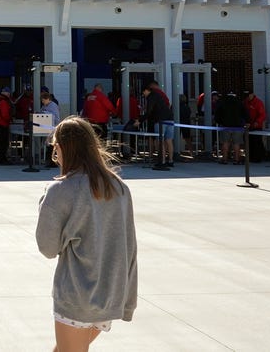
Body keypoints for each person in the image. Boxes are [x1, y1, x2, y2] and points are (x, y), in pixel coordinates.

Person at [36, 117, 137, 350]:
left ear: (64, 148)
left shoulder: (60, 190)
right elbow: (129, 245)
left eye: (55, 148)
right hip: (111, 291)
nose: (55, 155)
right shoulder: (119, 187)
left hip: (77, 295)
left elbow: (47, 248)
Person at [139, 81, 173, 170]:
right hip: (170, 119)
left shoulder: (151, 96)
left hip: (160, 121)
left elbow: (149, 111)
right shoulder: (161, 94)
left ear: (147, 90)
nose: (144, 94)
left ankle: (162, 161)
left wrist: (140, 121)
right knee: (169, 141)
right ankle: (171, 160)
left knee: (160, 141)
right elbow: (168, 104)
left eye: (143, 92)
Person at [215, 91, 246, 165]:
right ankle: (236, 159)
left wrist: (220, 122)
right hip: (238, 127)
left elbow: (217, 114)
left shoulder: (223, 103)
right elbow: (245, 114)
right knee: (237, 143)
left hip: (226, 126)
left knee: (225, 142)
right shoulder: (240, 103)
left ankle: (224, 159)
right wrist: (244, 122)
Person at [40, 91, 62, 168]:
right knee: (48, 145)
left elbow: (56, 118)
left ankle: (53, 162)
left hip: (53, 128)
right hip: (46, 129)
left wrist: (46, 114)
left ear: (47, 99)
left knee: (52, 146)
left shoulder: (53, 106)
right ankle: (48, 161)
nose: (42, 102)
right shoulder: (44, 106)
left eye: (43, 100)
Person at [0, 87, 14, 164]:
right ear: (7, 93)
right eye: (9, 93)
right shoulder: (4, 102)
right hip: (2, 124)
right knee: (3, 142)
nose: (9, 94)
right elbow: (5, 114)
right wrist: (10, 119)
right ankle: (2, 158)